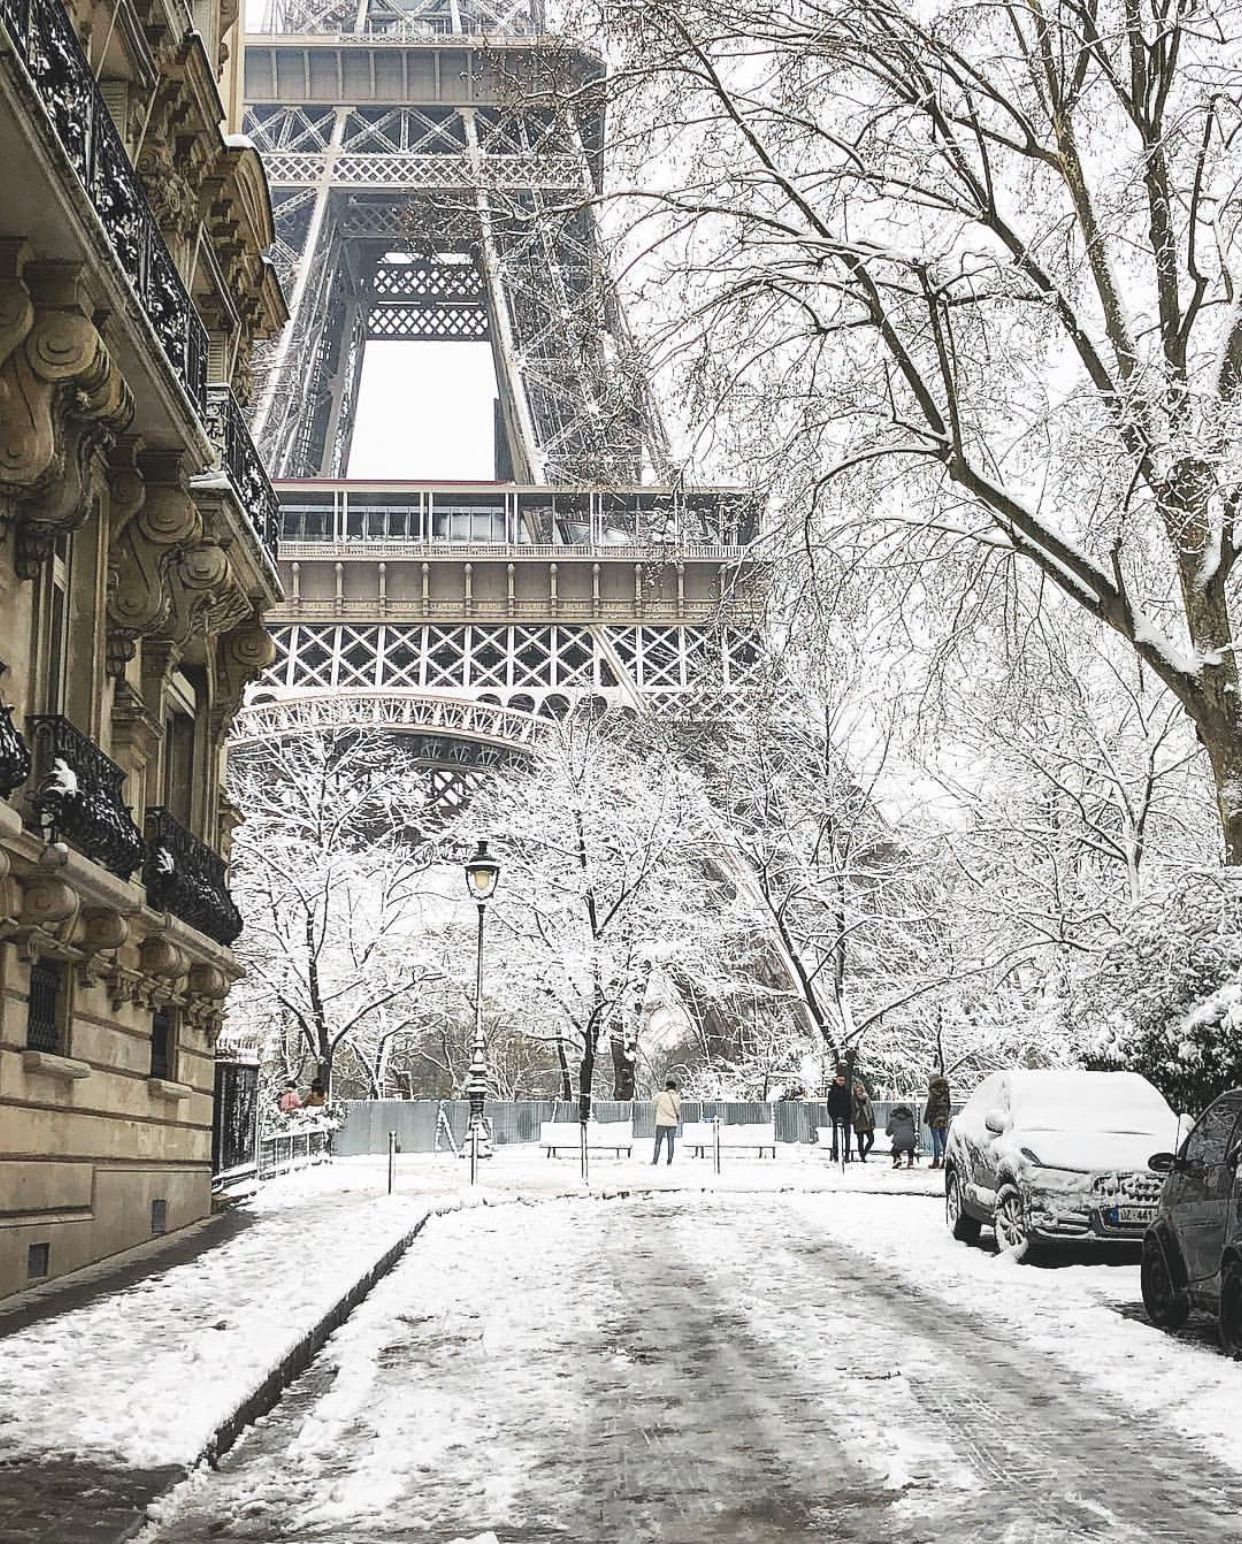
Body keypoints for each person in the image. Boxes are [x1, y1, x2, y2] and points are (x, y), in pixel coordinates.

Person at [925, 1070, 952, 1169]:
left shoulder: (933, 1091)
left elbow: (930, 1105)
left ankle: (936, 1160)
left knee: (936, 1139)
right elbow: (949, 1104)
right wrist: (946, 1114)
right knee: (943, 1138)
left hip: (934, 1117)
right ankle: (946, 1159)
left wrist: (926, 1117)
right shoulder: (946, 1090)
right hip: (943, 1117)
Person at [652, 1077, 681, 1165]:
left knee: (658, 1141)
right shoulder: (677, 1097)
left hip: (661, 1122)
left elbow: (653, 1102)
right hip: (672, 1122)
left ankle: (655, 1160)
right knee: (671, 1141)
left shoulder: (661, 1095)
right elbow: (678, 1109)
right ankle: (669, 1160)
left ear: (667, 1087)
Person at [826, 1070, 853, 1162]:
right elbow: (830, 1106)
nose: (841, 1082)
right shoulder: (833, 1091)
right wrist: (834, 1117)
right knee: (837, 1138)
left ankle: (847, 1156)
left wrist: (849, 1116)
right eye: (840, 1080)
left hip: (847, 1118)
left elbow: (850, 1105)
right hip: (836, 1119)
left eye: (843, 1080)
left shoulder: (847, 1091)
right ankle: (836, 1155)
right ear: (836, 1080)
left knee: (847, 1138)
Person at [886, 1103, 917, 1168]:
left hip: (899, 1141)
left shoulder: (893, 1119)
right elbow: (913, 1130)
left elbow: (888, 1133)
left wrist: (894, 1131)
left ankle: (897, 1158)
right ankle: (911, 1161)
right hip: (911, 1140)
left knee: (893, 1151)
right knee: (910, 1146)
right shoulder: (910, 1119)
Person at [852, 1082, 875, 1162]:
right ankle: (862, 1157)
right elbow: (852, 1111)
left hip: (867, 1121)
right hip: (858, 1121)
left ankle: (864, 1154)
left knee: (871, 1139)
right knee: (860, 1140)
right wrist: (854, 1117)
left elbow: (870, 1111)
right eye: (857, 1091)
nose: (859, 1092)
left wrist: (872, 1122)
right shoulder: (853, 1099)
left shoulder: (866, 1098)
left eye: (860, 1090)